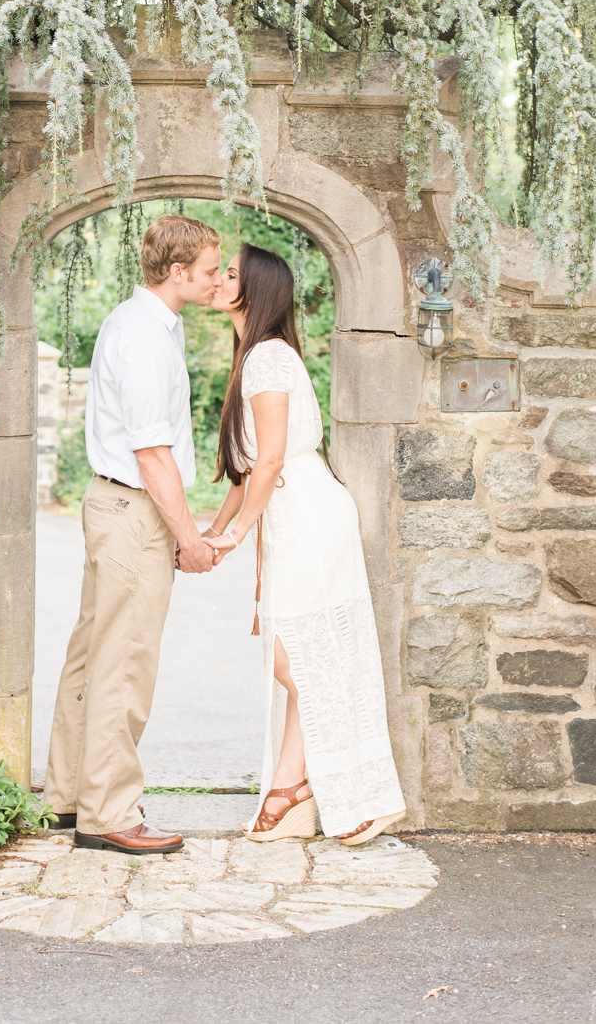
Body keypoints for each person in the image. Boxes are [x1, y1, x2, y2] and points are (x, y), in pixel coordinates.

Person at [206, 243, 406, 844]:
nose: (217, 280)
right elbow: (246, 471)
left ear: (256, 291)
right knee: (302, 656)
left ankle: (363, 789)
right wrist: (214, 531)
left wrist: (236, 535)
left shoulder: (267, 358)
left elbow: (270, 462)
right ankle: (290, 790)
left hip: (309, 517)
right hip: (291, 517)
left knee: (297, 660)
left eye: (230, 274)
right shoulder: (255, 355)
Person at [43, 214, 222, 855]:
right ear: (176, 272)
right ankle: (109, 812)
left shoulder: (134, 321)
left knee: (92, 656)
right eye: (207, 270)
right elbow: (152, 453)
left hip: (109, 504)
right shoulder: (147, 336)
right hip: (134, 510)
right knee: (125, 662)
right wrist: (190, 536)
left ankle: (70, 795)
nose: (215, 280)